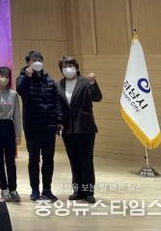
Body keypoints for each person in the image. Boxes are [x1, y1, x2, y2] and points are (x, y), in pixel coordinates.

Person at [16, 50, 63, 202]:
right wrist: (28, 77)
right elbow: (20, 91)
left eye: (39, 60)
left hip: (49, 126)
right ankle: (35, 189)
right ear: (28, 63)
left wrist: (59, 120)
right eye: (33, 60)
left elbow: (56, 101)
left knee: (48, 159)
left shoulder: (50, 80)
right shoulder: (23, 78)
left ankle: (47, 189)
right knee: (33, 159)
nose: (37, 62)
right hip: (32, 127)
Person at [57, 56, 102, 204]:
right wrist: (58, 122)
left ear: (76, 67)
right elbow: (58, 106)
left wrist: (93, 83)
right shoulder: (59, 85)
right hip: (68, 129)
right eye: (64, 67)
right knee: (74, 161)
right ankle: (77, 190)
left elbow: (97, 97)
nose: (67, 69)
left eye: (70, 66)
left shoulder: (85, 82)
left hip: (85, 127)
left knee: (86, 161)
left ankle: (88, 191)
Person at [0, 66, 22, 202]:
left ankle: (13, 189)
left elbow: (17, 115)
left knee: (10, 160)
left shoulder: (13, 94)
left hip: (8, 126)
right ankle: (3, 189)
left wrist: (18, 134)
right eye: (1, 76)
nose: (4, 79)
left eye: (7, 76)